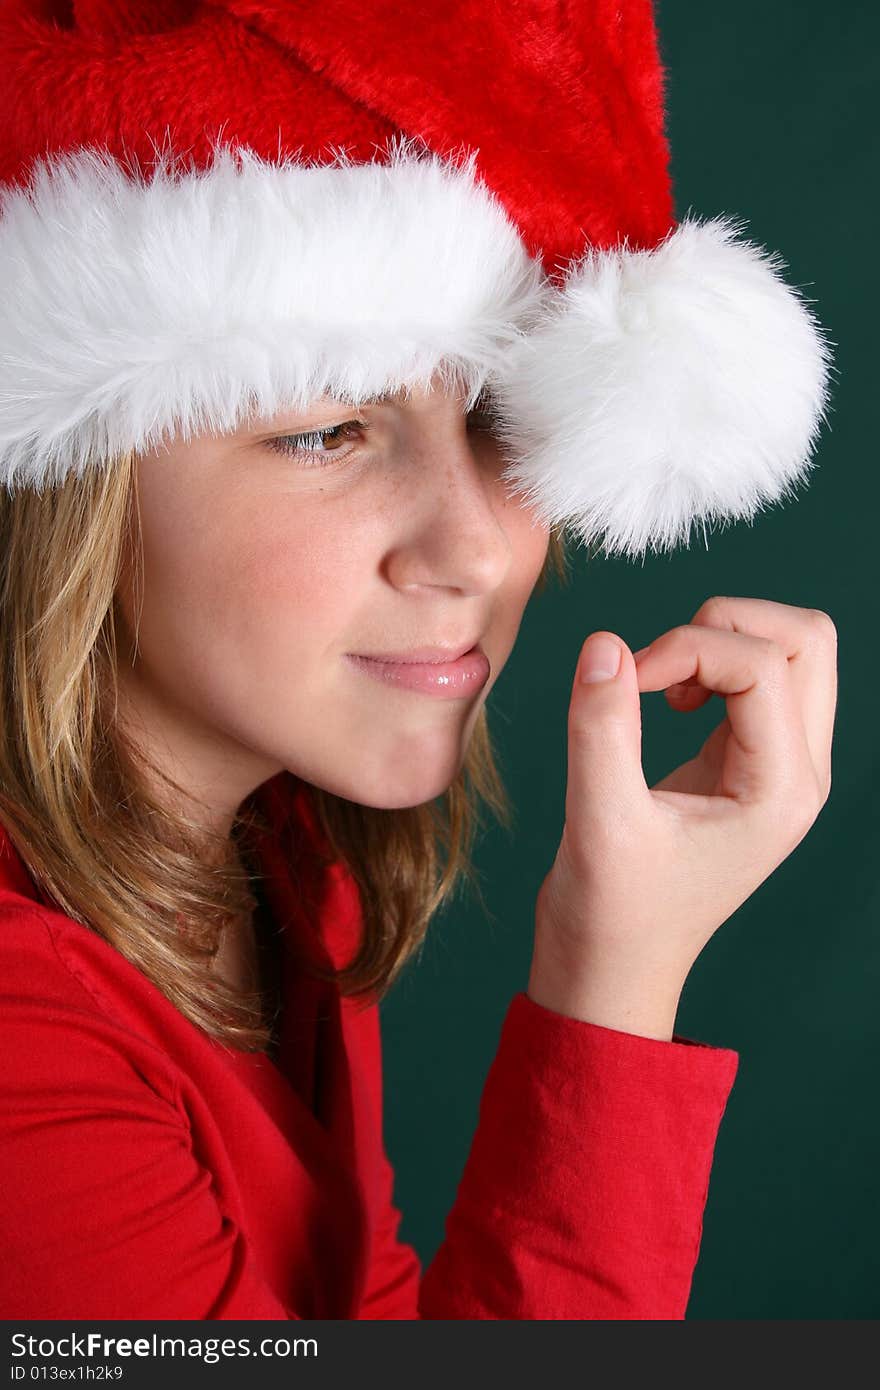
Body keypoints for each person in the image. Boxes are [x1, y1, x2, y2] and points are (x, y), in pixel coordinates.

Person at [0, 1, 836, 1319]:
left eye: (502, 415)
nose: (478, 551)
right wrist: (613, 991)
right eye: (329, 431)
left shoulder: (278, 853)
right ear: (76, 475)